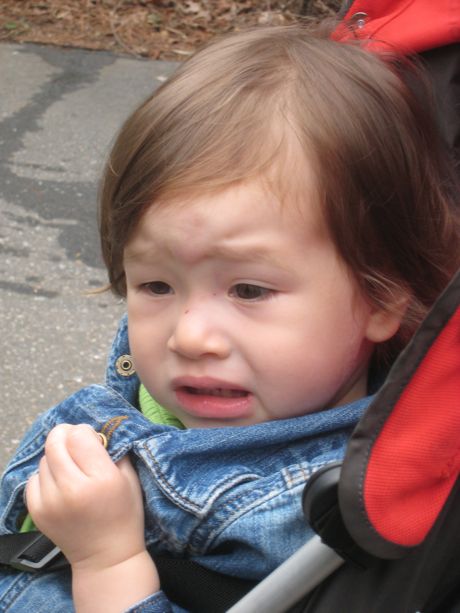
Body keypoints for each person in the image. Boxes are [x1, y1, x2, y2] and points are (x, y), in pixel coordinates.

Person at [0, 23, 459, 613]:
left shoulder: (310, 519)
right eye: (156, 285)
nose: (190, 335)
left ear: (382, 297)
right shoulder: (206, 390)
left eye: (248, 289)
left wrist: (108, 563)